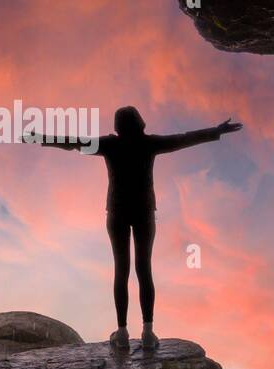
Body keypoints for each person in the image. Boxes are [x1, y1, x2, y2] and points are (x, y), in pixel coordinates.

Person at [30, 106, 242, 351]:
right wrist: (217, 131)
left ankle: (121, 333)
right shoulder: (148, 143)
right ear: (139, 122)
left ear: (118, 126)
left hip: (118, 213)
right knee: (144, 270)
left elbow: (74, 143)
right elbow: (184, 139)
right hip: (143, 213)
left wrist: (40, 138)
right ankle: (148, 332)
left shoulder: (110, 145)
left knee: (122, 271)